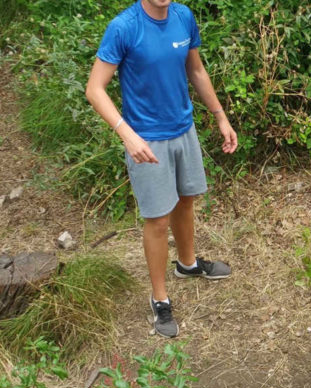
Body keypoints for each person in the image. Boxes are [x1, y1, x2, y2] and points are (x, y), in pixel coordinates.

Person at [85, 0, 238, 338]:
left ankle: (188, 264)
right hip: (146, 139)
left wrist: (220, 117)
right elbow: (94, 89)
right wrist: (127, 135)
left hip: (184, 129)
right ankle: (159, 298)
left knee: (186, 199)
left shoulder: (183, 16)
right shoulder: (124, 27)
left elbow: (196, 71)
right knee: (157, 220)